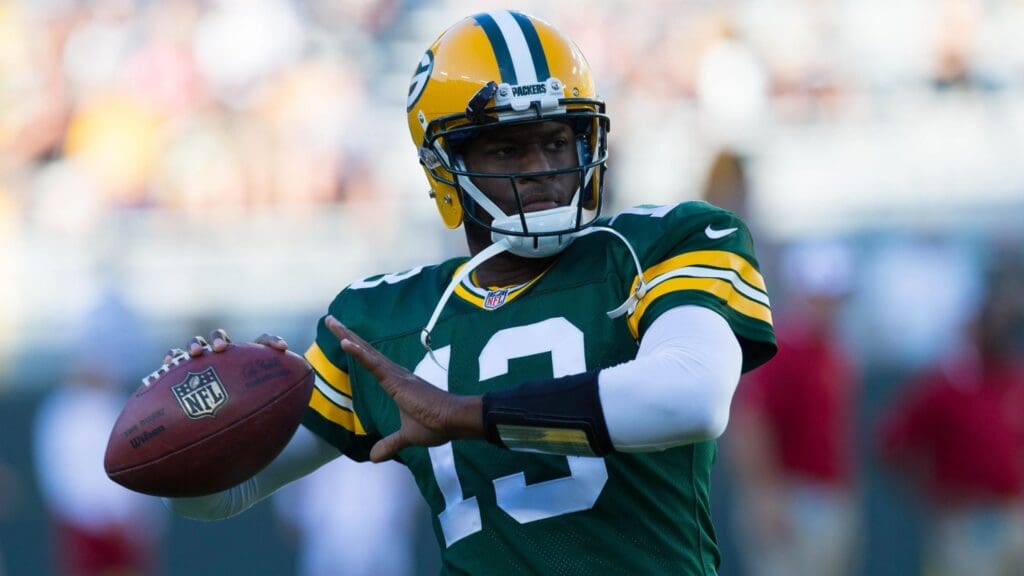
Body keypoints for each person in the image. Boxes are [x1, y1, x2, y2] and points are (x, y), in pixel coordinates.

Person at [164, 11, 777, 574]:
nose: (541, 167)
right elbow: (217, 497)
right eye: (508, 147)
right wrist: (205, 410)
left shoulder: (658, 246)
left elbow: (692, 396)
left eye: (557, 142)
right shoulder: (386, 320)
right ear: (444, 166)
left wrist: (462, 414)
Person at [876, 255, 1024, 576]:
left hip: (1012, 517)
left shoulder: (1015, 381)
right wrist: (931, 490)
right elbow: (892, 444)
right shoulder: (944, 385)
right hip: (964, 523)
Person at [728, 241, 859, 576]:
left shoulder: (833, 350)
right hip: (793, 497)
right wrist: (765, 494)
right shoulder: (782, 350)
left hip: (825, 495)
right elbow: (750, 423)